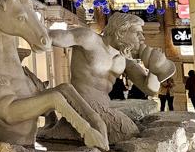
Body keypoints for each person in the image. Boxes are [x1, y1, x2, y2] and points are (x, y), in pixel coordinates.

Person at [50, 12, 173, 144]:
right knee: (127, 131)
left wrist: (154, 69)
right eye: (137, 33)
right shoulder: (89, 39)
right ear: (121, 31)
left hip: (104, 106)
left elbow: (150, 90)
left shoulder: (123, 59)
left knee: (138, 129)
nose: (142, 38)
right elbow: (49, 38)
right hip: (83, 104)